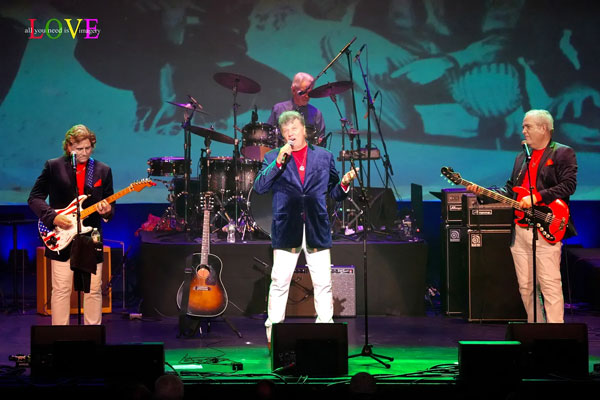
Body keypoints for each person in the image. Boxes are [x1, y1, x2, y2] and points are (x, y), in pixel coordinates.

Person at [253, 111, 358, 346]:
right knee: (279, 282)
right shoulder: (273, 156)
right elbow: (260, 187)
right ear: (282, 135)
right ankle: (274, 334)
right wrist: (279, 162)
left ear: (303, 130)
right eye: (285, 130)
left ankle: (325, 332)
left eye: (294, 128)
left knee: (323, 283)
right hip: (286, 226)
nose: (290, 133)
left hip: (316, 226)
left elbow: (334, 193)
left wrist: (344, 184)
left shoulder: (324, 156)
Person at [467, 109, 577, 323]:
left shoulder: (562, 153)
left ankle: (556, 332)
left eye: (528, 126)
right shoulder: (521, 158)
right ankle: (536, 329)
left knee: (549, 284)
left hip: (546, 227)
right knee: (526, 287)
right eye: (523, 126)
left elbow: (568, 185)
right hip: (520, 229)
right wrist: (483, 194)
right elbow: (511, 190)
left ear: (543, 128)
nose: (523, 130)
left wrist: (537, 197)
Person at [29, 124, 114, 325]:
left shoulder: (103, 170)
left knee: (93, 290)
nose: (84, 153)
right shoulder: (53, 166)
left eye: (88, 148)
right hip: (61, 235)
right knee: (61, 289)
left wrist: (107, 211)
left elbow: (111, 204)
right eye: (79, 149)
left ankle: (93, 335)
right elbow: (34, 198)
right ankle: (60, 336)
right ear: (69, 147)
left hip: (90, 236)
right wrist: (53, 217)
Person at [267, 72, 327, 147]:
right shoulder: (279, 109)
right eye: (303, 92)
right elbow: (268, 134)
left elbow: (321, 141)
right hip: (282, 152)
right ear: (293, 90)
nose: (307, 96)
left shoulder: (316, 114)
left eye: (309, 93)